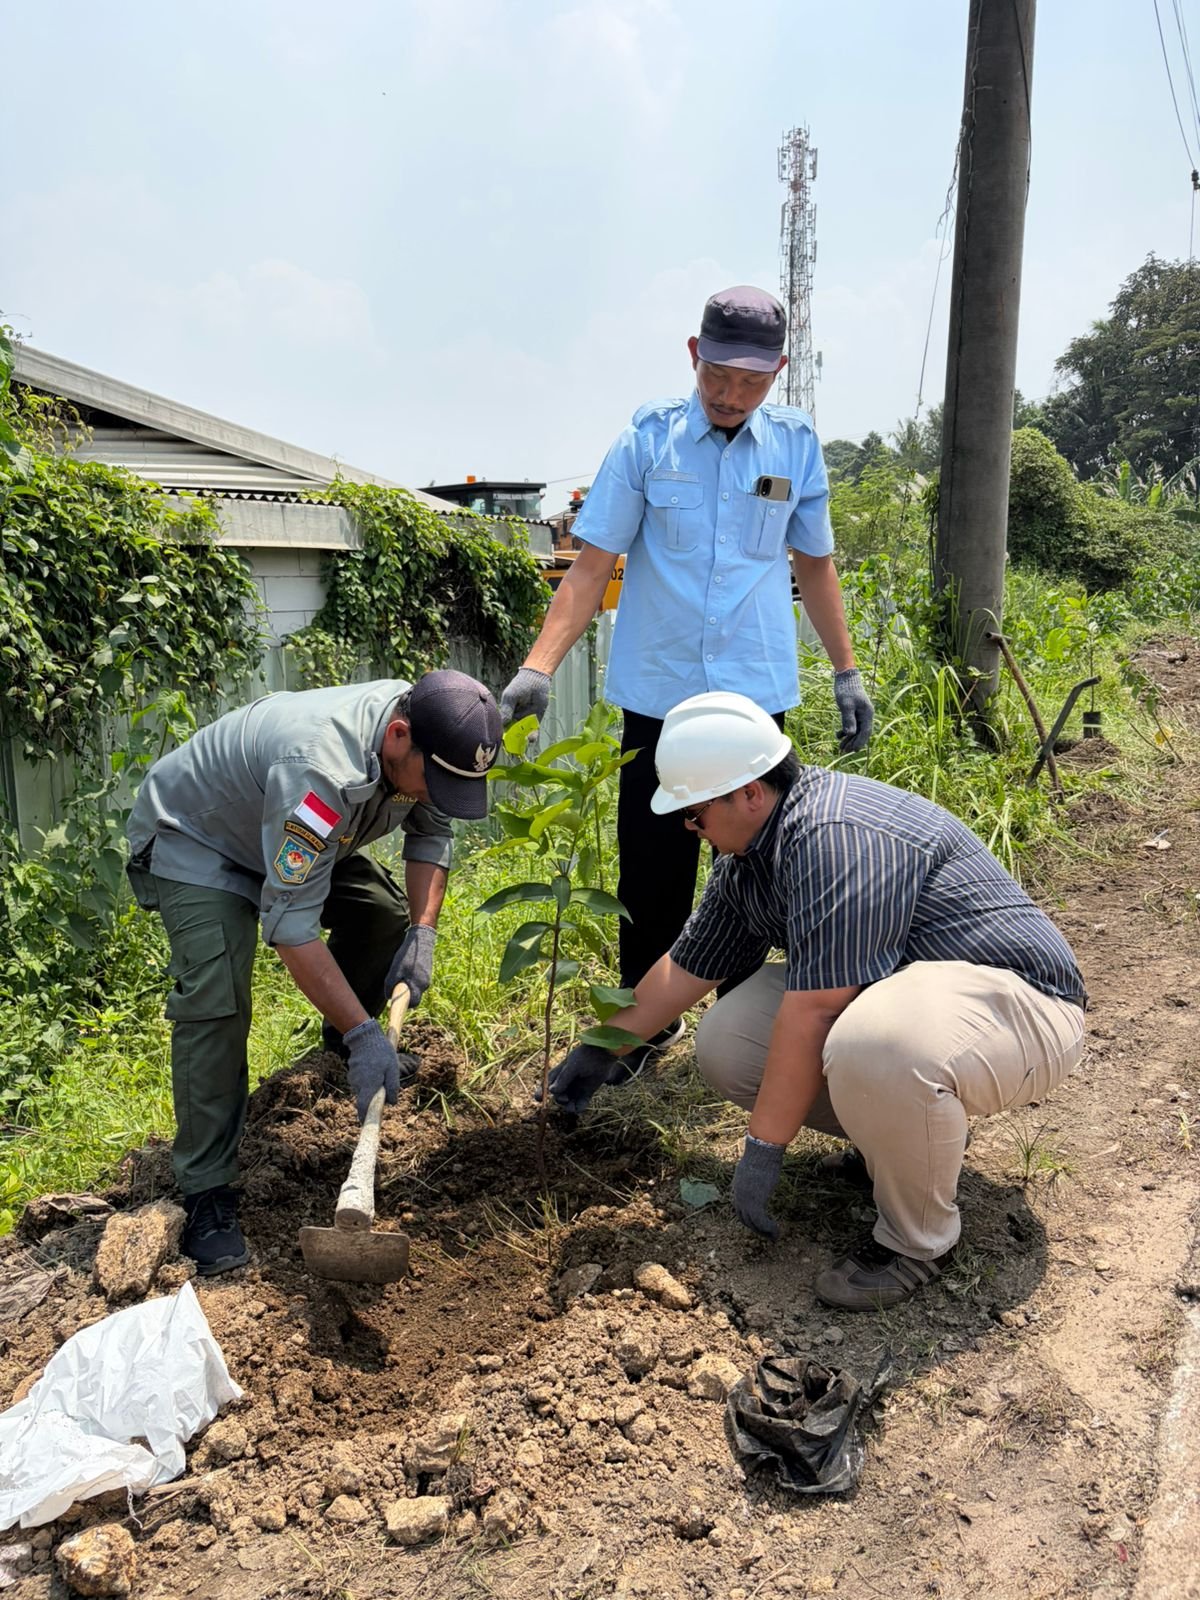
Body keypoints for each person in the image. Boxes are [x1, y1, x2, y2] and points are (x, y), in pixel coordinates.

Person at [542, 691, 1087, 1311]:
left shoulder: (832, 836)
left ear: (750, 793)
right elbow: (685, 968)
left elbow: (817, 1010)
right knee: (728, 1040)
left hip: (1024, 1006)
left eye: (694, 813)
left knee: (872, 1044)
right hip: (918, 1005)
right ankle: (901, 1146)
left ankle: (918, 1242)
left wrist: (762, 1151)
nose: (689, 828)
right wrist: (601, 1048)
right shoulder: (749, 859)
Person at [500, 285, 873, 1076]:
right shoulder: (648, 439)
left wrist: (847, 671)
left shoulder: (794, 446)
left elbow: (815, 564)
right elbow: (591, 564)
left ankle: (746, 1031)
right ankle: (643, 1038)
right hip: (660, 698)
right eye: (718, 377)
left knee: (765, 868)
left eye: (752, 382)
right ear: (693, 355)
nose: (732, 396)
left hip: (754, 702)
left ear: (778, 371)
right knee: (653, 873)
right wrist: (539, 666)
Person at [126, 669, 501, 1275]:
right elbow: (291, 926)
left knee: (381, 913)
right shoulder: (321, 771)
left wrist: (423, 931)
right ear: (398, 736)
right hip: (201, 839)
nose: (436, 795)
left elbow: (431, 836)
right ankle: (205, 1192)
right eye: (434, 783)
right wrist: (365, 1031)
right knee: (217, 997)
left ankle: (340, 1047)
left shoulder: (429, 733)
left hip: (282, 829)